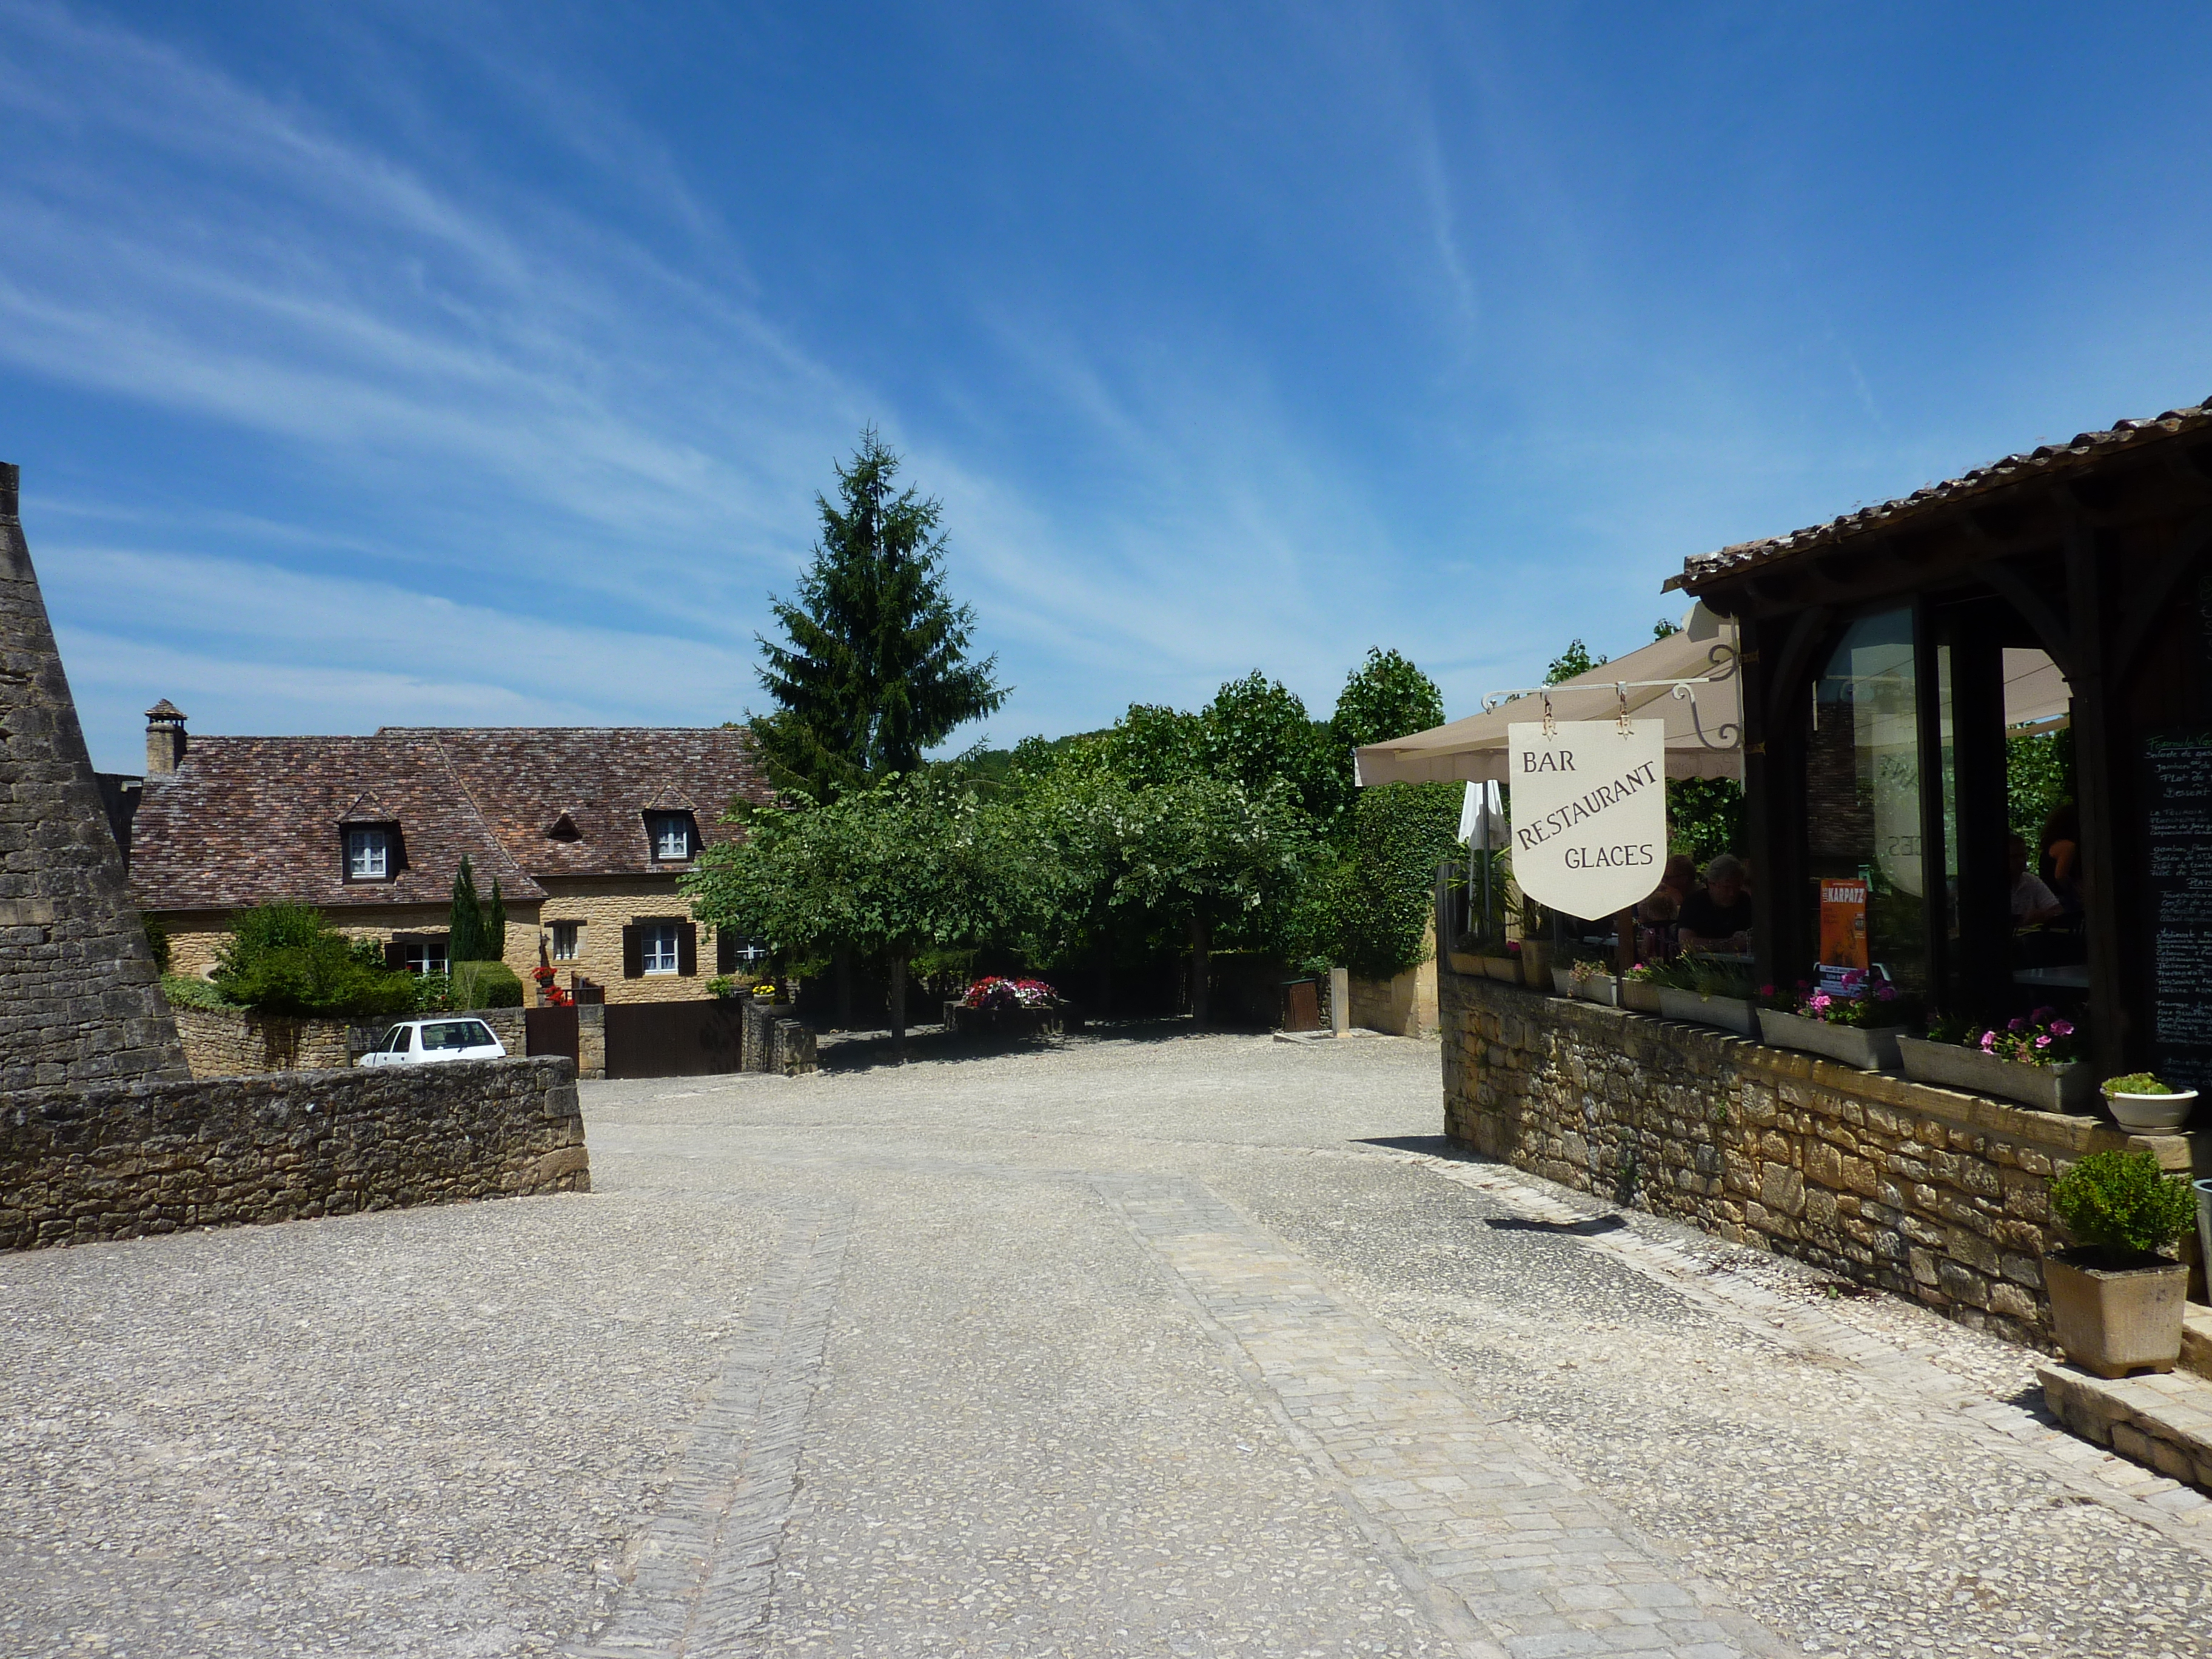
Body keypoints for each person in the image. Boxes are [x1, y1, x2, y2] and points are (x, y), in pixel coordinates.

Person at [1678, 854, 1754, 953]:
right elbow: (1686, 944)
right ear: (1711, 883)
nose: (1732, 893)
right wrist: (1729, 944)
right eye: (1726, 888)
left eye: (1737, 886)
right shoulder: (1694, 903)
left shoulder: (1745, 900)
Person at [2009, 834, 2063, 928]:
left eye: (2023, 856)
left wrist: (2043, 915)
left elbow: (2057, 910)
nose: (2021, 861)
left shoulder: (2031, 881)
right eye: (2014, 857)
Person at [1637, 854, 1698, 925]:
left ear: (1684, 879)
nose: (1663, 882)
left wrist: (1679, 903)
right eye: (1662, 878)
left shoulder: (1701, 900)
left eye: (1667, 878)